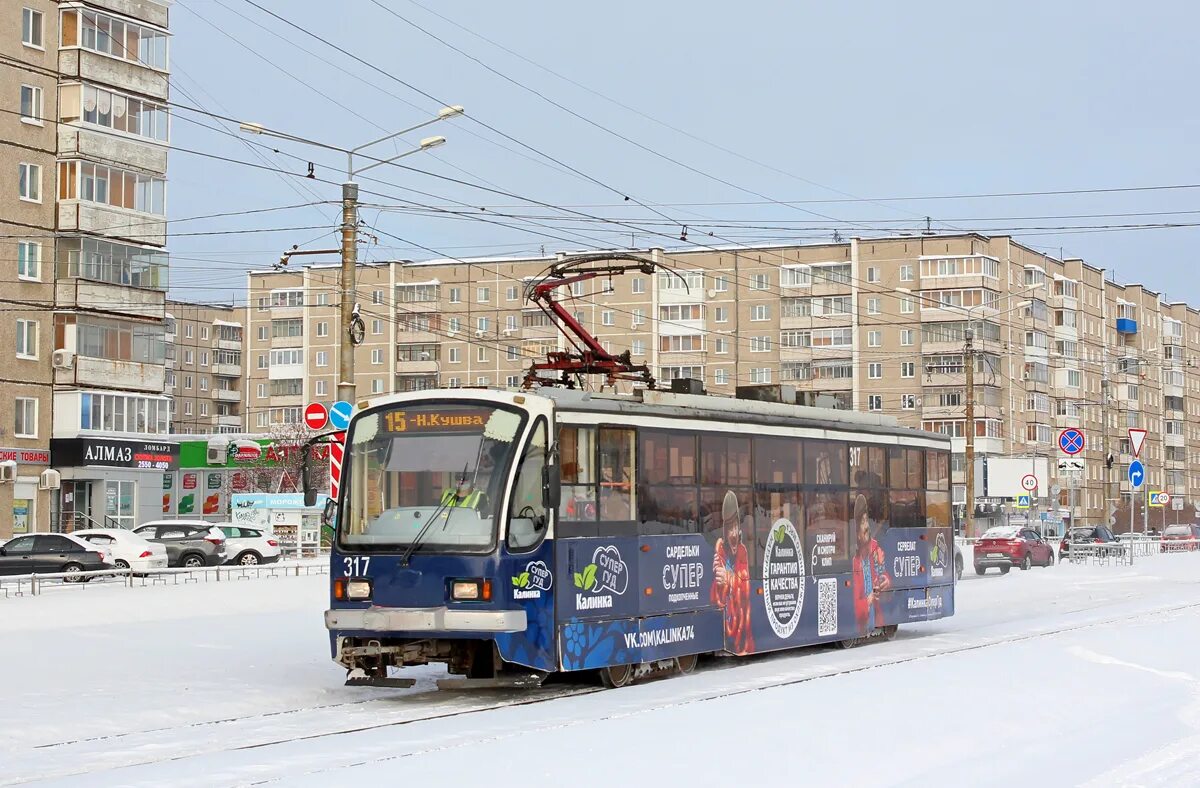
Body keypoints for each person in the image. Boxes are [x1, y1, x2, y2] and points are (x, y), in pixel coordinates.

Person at [711, 490, 754, 654]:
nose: (734, 533)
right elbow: (713, 597)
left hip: (742, 636)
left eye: (736, 526)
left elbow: (745, 585)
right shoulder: (720, 553)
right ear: (724, 531)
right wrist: (717, 582)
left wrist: (728, 579)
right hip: (727, 626)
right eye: (730, 528)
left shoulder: (743, 552)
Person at [851, 493, 891, 635]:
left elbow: (883, 572)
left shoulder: (875, 548)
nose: (866, 526)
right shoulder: (854, 561)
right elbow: (853, 603)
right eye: (862, 522)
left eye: (866, 520)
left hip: (877, 618)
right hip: (861, 625)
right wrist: (868, 600)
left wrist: (885, 580)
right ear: (857, 533)